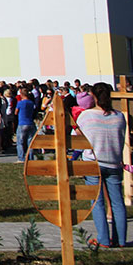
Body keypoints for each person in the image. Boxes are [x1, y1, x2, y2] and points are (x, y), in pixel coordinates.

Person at [76, 83, 128, 248]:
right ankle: (120, 240)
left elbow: (79, 133)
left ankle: (104, 239)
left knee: (96, 202)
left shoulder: (86, 116)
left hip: (93, 162)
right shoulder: (119, 116)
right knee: (117, 202)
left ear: (94, 96)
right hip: (114, 162)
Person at [15, 88, 36, 162]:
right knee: (30, 141)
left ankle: (21, 158)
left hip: (22, 123)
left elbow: (16, 112)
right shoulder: (31, 103)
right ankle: (30, 157)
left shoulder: (20, 103)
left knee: (20, 142)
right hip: (30, 122)